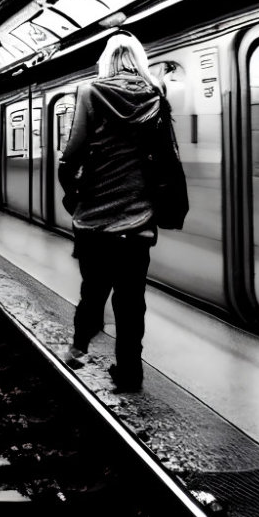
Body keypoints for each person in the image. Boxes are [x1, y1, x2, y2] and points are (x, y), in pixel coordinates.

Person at [58, 31, 163, 392]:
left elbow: (72, 153)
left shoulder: (90, 92)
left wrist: (72, 191)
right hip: (138, 221)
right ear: (139, 60)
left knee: (94, 291)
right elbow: (165, 158)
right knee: (132, 302)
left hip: (95, 220)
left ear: (107, 60)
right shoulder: (155, 96)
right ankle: (130, 373)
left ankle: (77, 349)